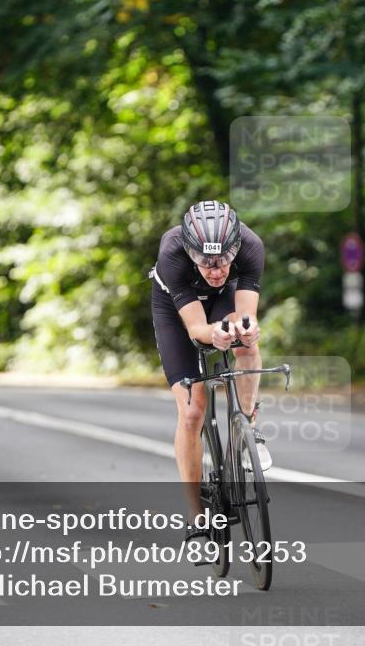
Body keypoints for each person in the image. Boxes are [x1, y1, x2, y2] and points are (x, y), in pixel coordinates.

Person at [149, 201, 271, 542]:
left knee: (246, 344)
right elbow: (197, 329)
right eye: (206, 262)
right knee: (193, 411)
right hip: (176, 310)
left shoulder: (251, 246)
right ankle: (197, 514)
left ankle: (248, 427)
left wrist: (246, 329)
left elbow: (245, 314)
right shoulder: (172, 253)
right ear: (191, 252)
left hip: (223, 299)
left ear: (236, 247)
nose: (216, 270)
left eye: (224, 261)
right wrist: (212, 334)